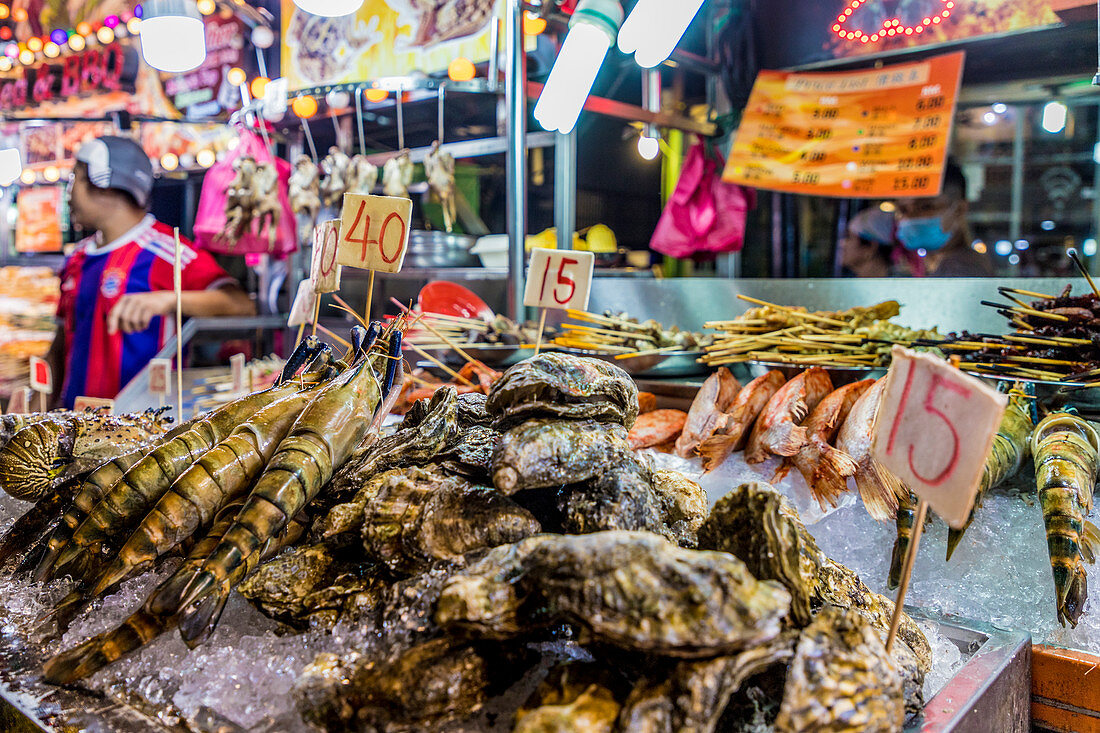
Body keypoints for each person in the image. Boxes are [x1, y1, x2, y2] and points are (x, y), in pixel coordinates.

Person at [46, 136, 255, 408]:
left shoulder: (169, 251)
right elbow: (61, 343)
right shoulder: (77, 257)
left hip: (145, 427)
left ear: (106, 183)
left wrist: (167, 299)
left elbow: (241, 306)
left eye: (76, 179)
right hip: (72, 423)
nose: (69, 192)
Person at [893, 161, 993, 277]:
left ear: (959, 209)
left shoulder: (962, 270)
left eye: (926, 207)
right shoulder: (933, 265)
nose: (909, 217)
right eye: (903, 209)